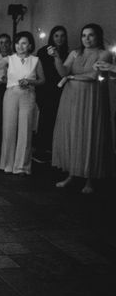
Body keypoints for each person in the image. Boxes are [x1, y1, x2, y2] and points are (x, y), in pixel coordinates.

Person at [51, 23, 113, 194]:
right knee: (72, 134)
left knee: (89, 135)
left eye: (91, 35)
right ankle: (72, 174)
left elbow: (94, 76)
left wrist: (71, 77)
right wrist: (56, 57)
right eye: (84, 35)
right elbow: (63, 72)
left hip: (91, 99)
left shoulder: (104, 54)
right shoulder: (75, 53)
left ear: (98, 36)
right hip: (71, 99)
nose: (86, 38)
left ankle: (89, 179)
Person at [0, 32, 45, 175]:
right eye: (17, 43)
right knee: (9, 128)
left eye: (24, 43)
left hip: (28, 95)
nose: (20, 46)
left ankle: (22, 167)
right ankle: (8, 164)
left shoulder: (36, 60)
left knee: (25, 129)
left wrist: (30, 82)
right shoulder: (9, 59)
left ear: (30, 45)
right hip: (11, 94)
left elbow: (42, 80)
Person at [33, 26, 68, 163]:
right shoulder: (43, 51)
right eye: (56, 36)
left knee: (57, 119)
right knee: (45, 119)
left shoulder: (67, 53)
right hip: (45, 90)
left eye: (62, 36)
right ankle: (41, 150)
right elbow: (41, 73)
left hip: (60, 90)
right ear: (52, 37)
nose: (59, 38)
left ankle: (53, 149)